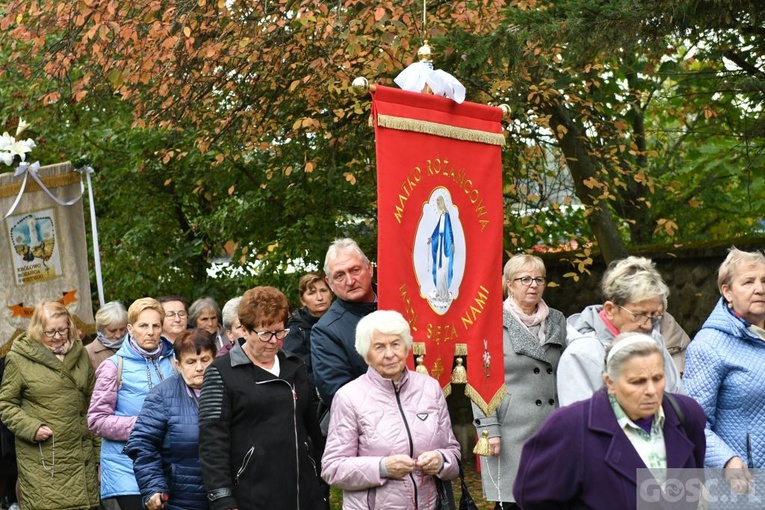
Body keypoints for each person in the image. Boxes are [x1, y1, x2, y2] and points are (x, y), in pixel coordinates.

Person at [514, 333, 706, 510]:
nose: (651, 390)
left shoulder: (687, 413)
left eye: (657, 378)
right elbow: (534, 498)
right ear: (610, 383)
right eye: (637, 381)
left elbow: (692, 479)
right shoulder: (570, 426)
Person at [198, 286, 324, 510]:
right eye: (265, 334)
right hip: (251, 494)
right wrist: (222, 498)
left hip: (303, 492)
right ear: (244, 330)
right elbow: (212, 441)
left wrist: (321, 481)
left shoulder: (295, 367)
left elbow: (311, 430)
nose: (274, 341)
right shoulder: (221, 372)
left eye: (280, 332)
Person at [321, 310, 461, 509]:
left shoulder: (430, 387)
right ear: (365, 353)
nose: (389, 354)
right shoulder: (349, 397)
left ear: (406, 347)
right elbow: (333, 469)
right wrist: (382, 467)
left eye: (395, 344)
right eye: (379, 347)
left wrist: (441, 461)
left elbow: (453, 453)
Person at [472, 255, 566, 509]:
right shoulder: (489, 322)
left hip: (552, 428)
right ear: (509, 284)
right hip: (511, 430)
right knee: (514, 502)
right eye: (524, 279)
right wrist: (488, 429)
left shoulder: (558, 320)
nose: (533, 285)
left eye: (538, 279)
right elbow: (481, 378)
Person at [0, 302, 100, 510]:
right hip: (46, 457)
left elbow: (92, 403)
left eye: (63, 330)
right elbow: (6, 404)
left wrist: (99, 454)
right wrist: (31, 428)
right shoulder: (19, 358)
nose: (57, 336)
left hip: (81, 453)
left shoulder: (79, 352)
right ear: (37, 329)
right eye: (50, 331)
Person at [684, 248, 765, 487]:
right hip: (742, 485)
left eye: (764, 281)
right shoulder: (708, 346)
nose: (759, 289)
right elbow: (692, 423)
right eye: (748, 282)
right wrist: (727, 460)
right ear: (727, 291)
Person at [558, 256, 684, 406]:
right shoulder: (582, 353)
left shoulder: (654, 339)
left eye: (653, 315)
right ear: (610, 310)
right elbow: (579, 424)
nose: (648, 325)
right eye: (639, 315)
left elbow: (676, 400)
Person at [88, 297, 176, 510]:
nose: (150, 331)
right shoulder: (113, 366)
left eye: (156, 326)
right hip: (125, 465)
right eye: (143, 325)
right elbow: (96, 420)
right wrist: (143, 426)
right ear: (130, 328)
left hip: (167, 462)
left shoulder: (174, 361)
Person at [126, 329, 216, 510]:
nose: (199, 367)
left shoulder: (231, 390)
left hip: (226, 497)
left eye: (205, 360)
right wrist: (153, 487)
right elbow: (143, 445)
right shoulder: (162, 395)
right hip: (179, 500)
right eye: (191, 362)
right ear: (178, 364)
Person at [283, 273, 333, 509]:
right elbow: (298, 367)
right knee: (316, 458)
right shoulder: (296, 329)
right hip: (314, 403)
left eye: (323, 290)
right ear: (303, 299)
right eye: (312, 292)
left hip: (342, 396)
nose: (320, 297)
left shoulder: (339, 320)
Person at [311, 238, 377, 409]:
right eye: (339, 276)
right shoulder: (326, 331)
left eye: (355, 270)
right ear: (329, 283)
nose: (349, 281)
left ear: (369, 268)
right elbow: (339, 395)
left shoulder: (403, 303)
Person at [86, 301, 128, 370]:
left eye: (122, 329)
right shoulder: (88, 353)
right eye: (112, 331)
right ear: (101, 329)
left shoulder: (134, 346)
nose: (118, 335)